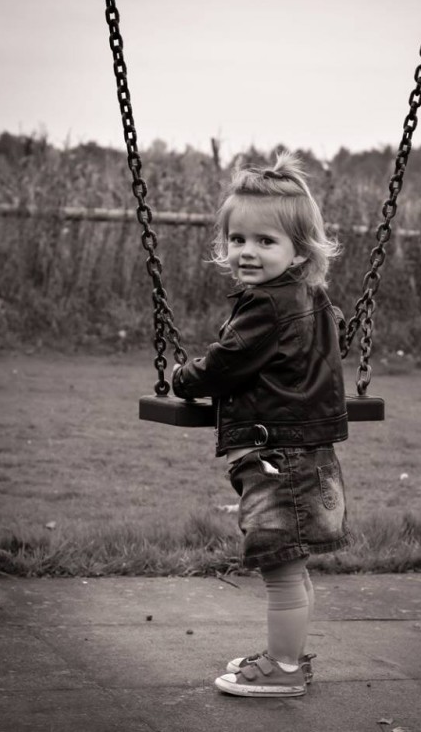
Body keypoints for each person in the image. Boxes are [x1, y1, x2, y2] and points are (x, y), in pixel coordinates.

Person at [172, 151, 352, 698]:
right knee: (291, 570)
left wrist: (184, 376)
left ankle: (283, 669)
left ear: (300, 249)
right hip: (303, 450)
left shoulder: (267, 307)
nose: (247, 251)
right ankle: (289, 657)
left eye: (265, 241)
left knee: (279, 570)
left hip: (280, 457)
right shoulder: (312, 299)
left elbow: (226, 363)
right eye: (238, 239)